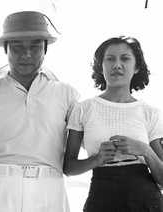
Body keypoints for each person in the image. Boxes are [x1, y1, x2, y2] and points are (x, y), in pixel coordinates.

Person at [0, 11, 79, 212]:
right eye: (17, 47)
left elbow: (89, 141)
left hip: (50, 192)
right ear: (5, 49)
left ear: (45, 49)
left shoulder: (67, 94)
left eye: (35, 46)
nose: (26, 54)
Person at [63, 35, 163, 212]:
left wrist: (145, 151)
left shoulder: (150, 113)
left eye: (125, 58)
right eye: (110, 59)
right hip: (101, 198)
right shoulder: (83, 109)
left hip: (146, 200)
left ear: (137, 66)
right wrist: (97, 159)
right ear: (101, 67)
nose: (117, 65)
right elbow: (68, 168)